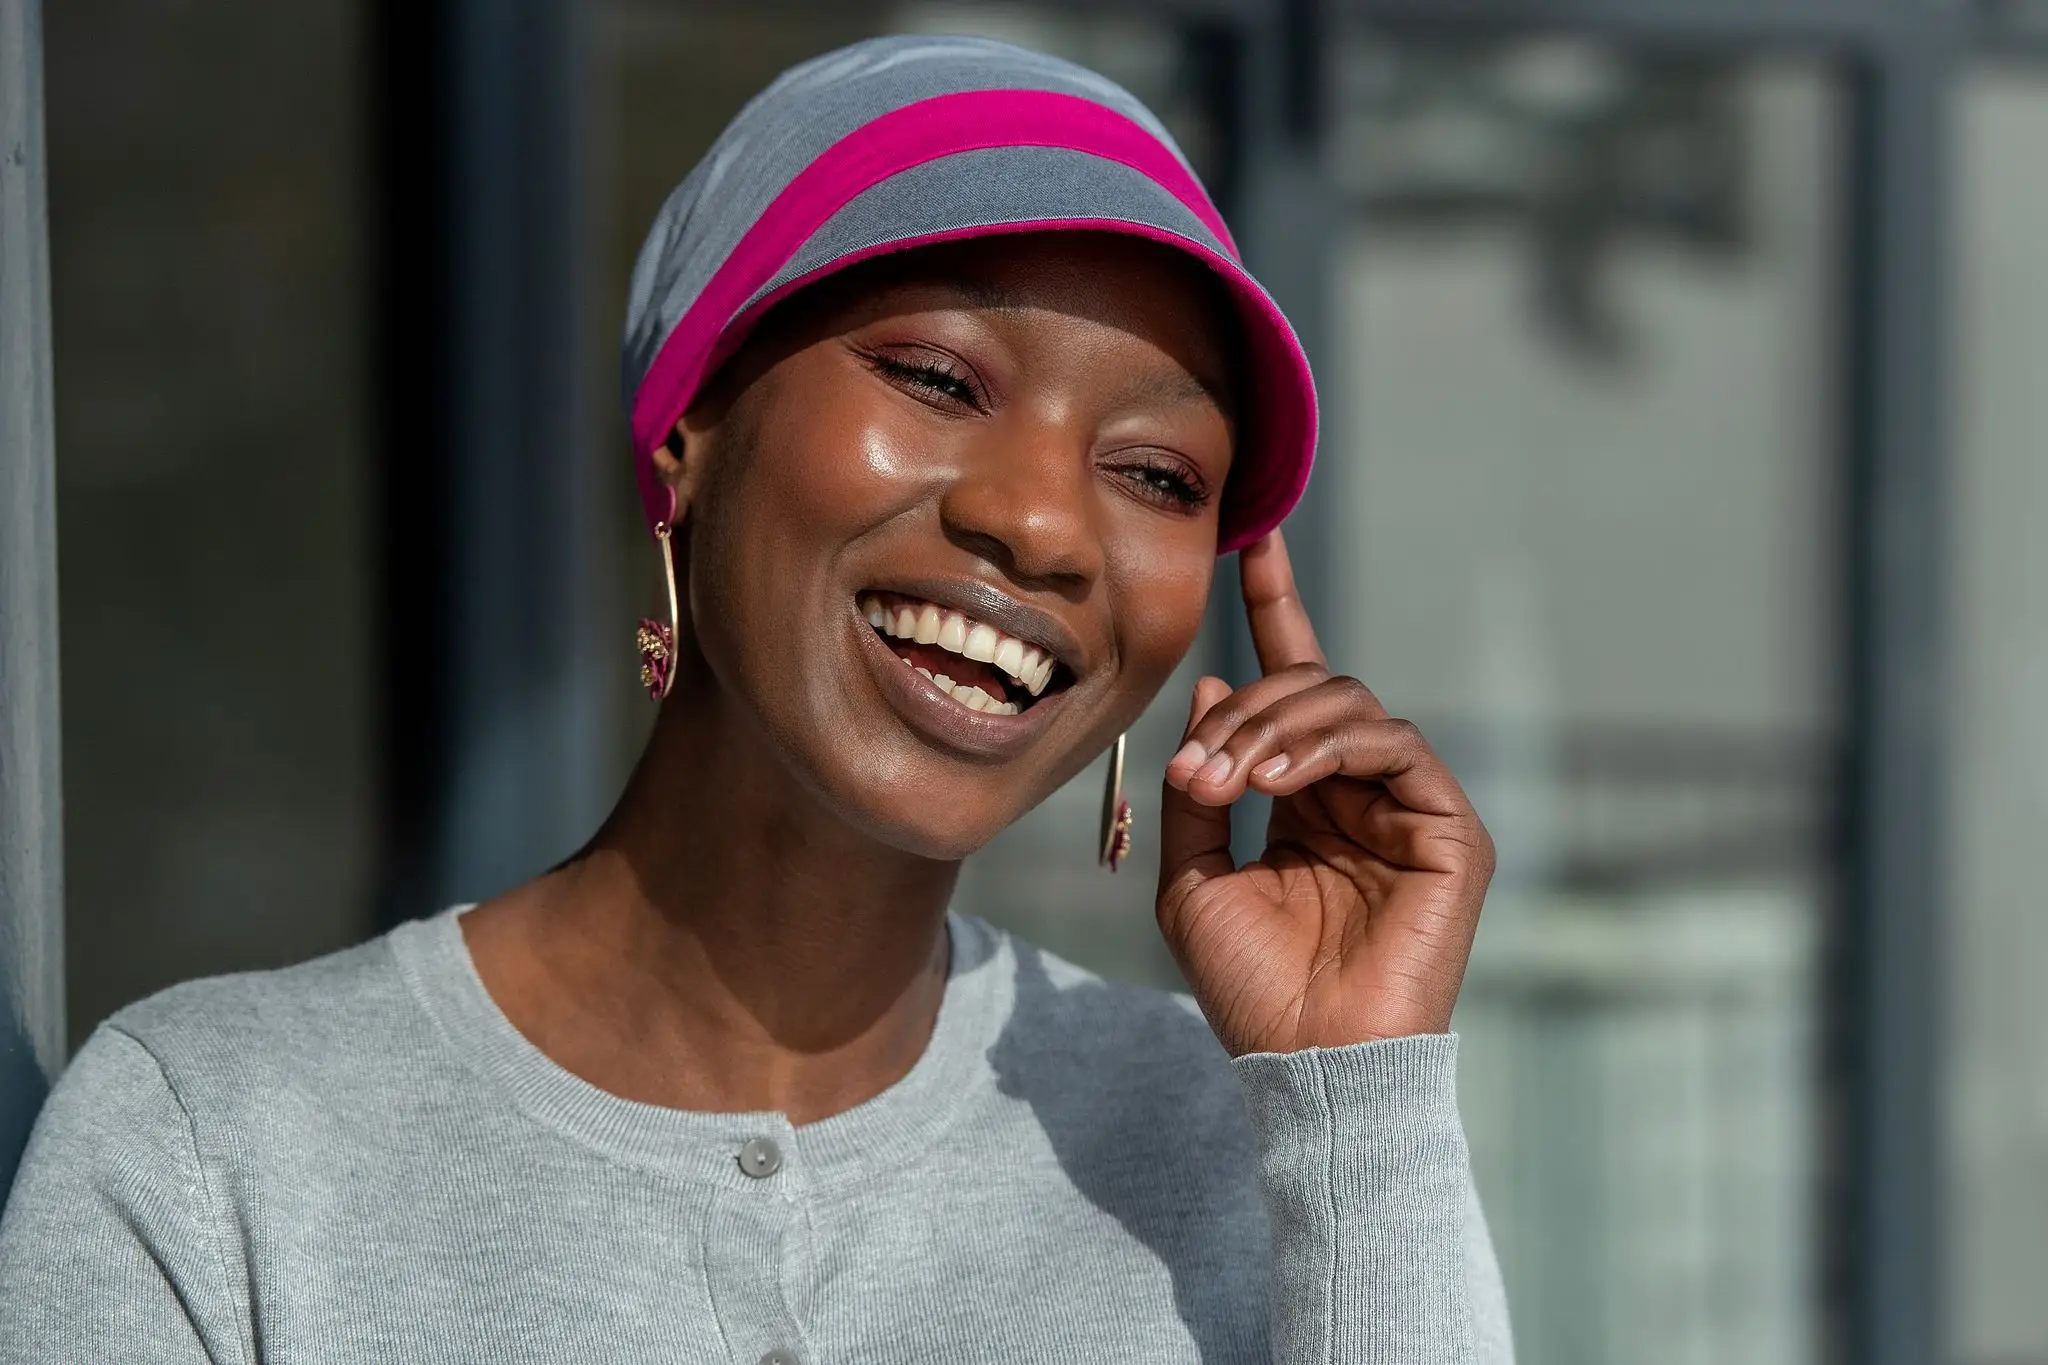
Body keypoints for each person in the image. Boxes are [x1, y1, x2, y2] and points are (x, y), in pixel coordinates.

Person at [0, 34, 1512, 1364]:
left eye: (1156, 477)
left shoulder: (1250, 1148)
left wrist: (1357, 1102)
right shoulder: (217, 1152)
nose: (1045, 526)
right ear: (691, 426)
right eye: (937, 377)